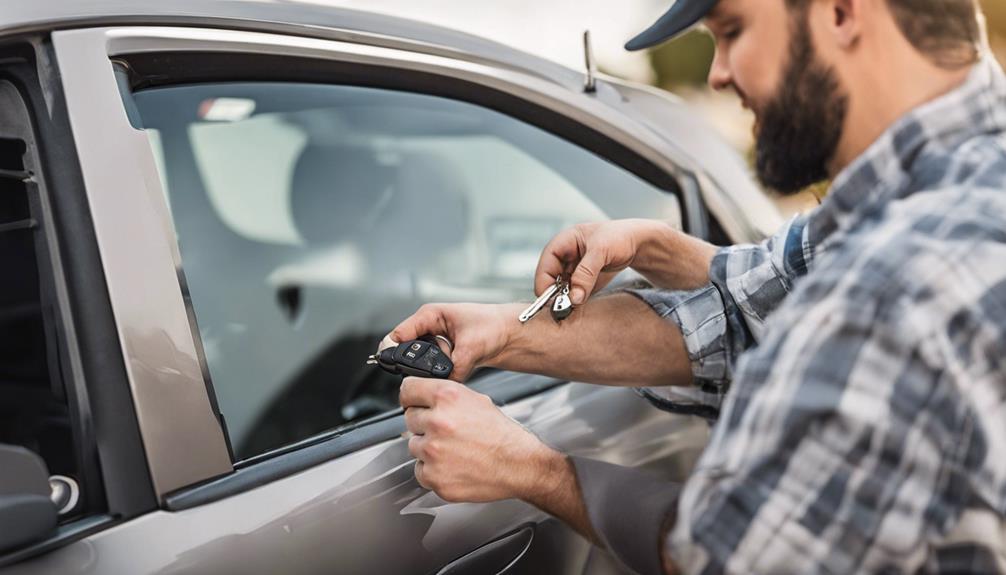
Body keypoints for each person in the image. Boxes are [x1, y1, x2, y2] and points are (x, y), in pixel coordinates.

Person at [390, 0, 1006, 572]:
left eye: (733, 31)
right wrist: (501, 332)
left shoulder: (893, 286)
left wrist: (532, 470)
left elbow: (727, 556)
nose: (717, 75)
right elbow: (745, 307)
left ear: (842, 12)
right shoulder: (944, 193)